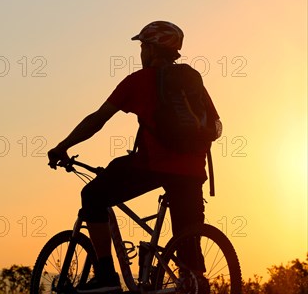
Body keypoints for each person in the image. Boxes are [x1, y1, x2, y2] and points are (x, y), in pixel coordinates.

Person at [47, 21, 219, 293]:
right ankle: (194, 279)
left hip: (154, 165)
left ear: (151, 50)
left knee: (93, 195)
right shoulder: (192, 81)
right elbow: (215, 124)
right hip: (194, 169)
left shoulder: (137, 82)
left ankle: (106, 276)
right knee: (189, 236)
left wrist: (63, 145)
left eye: (142, 46)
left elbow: (97, 120)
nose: (141, 53)